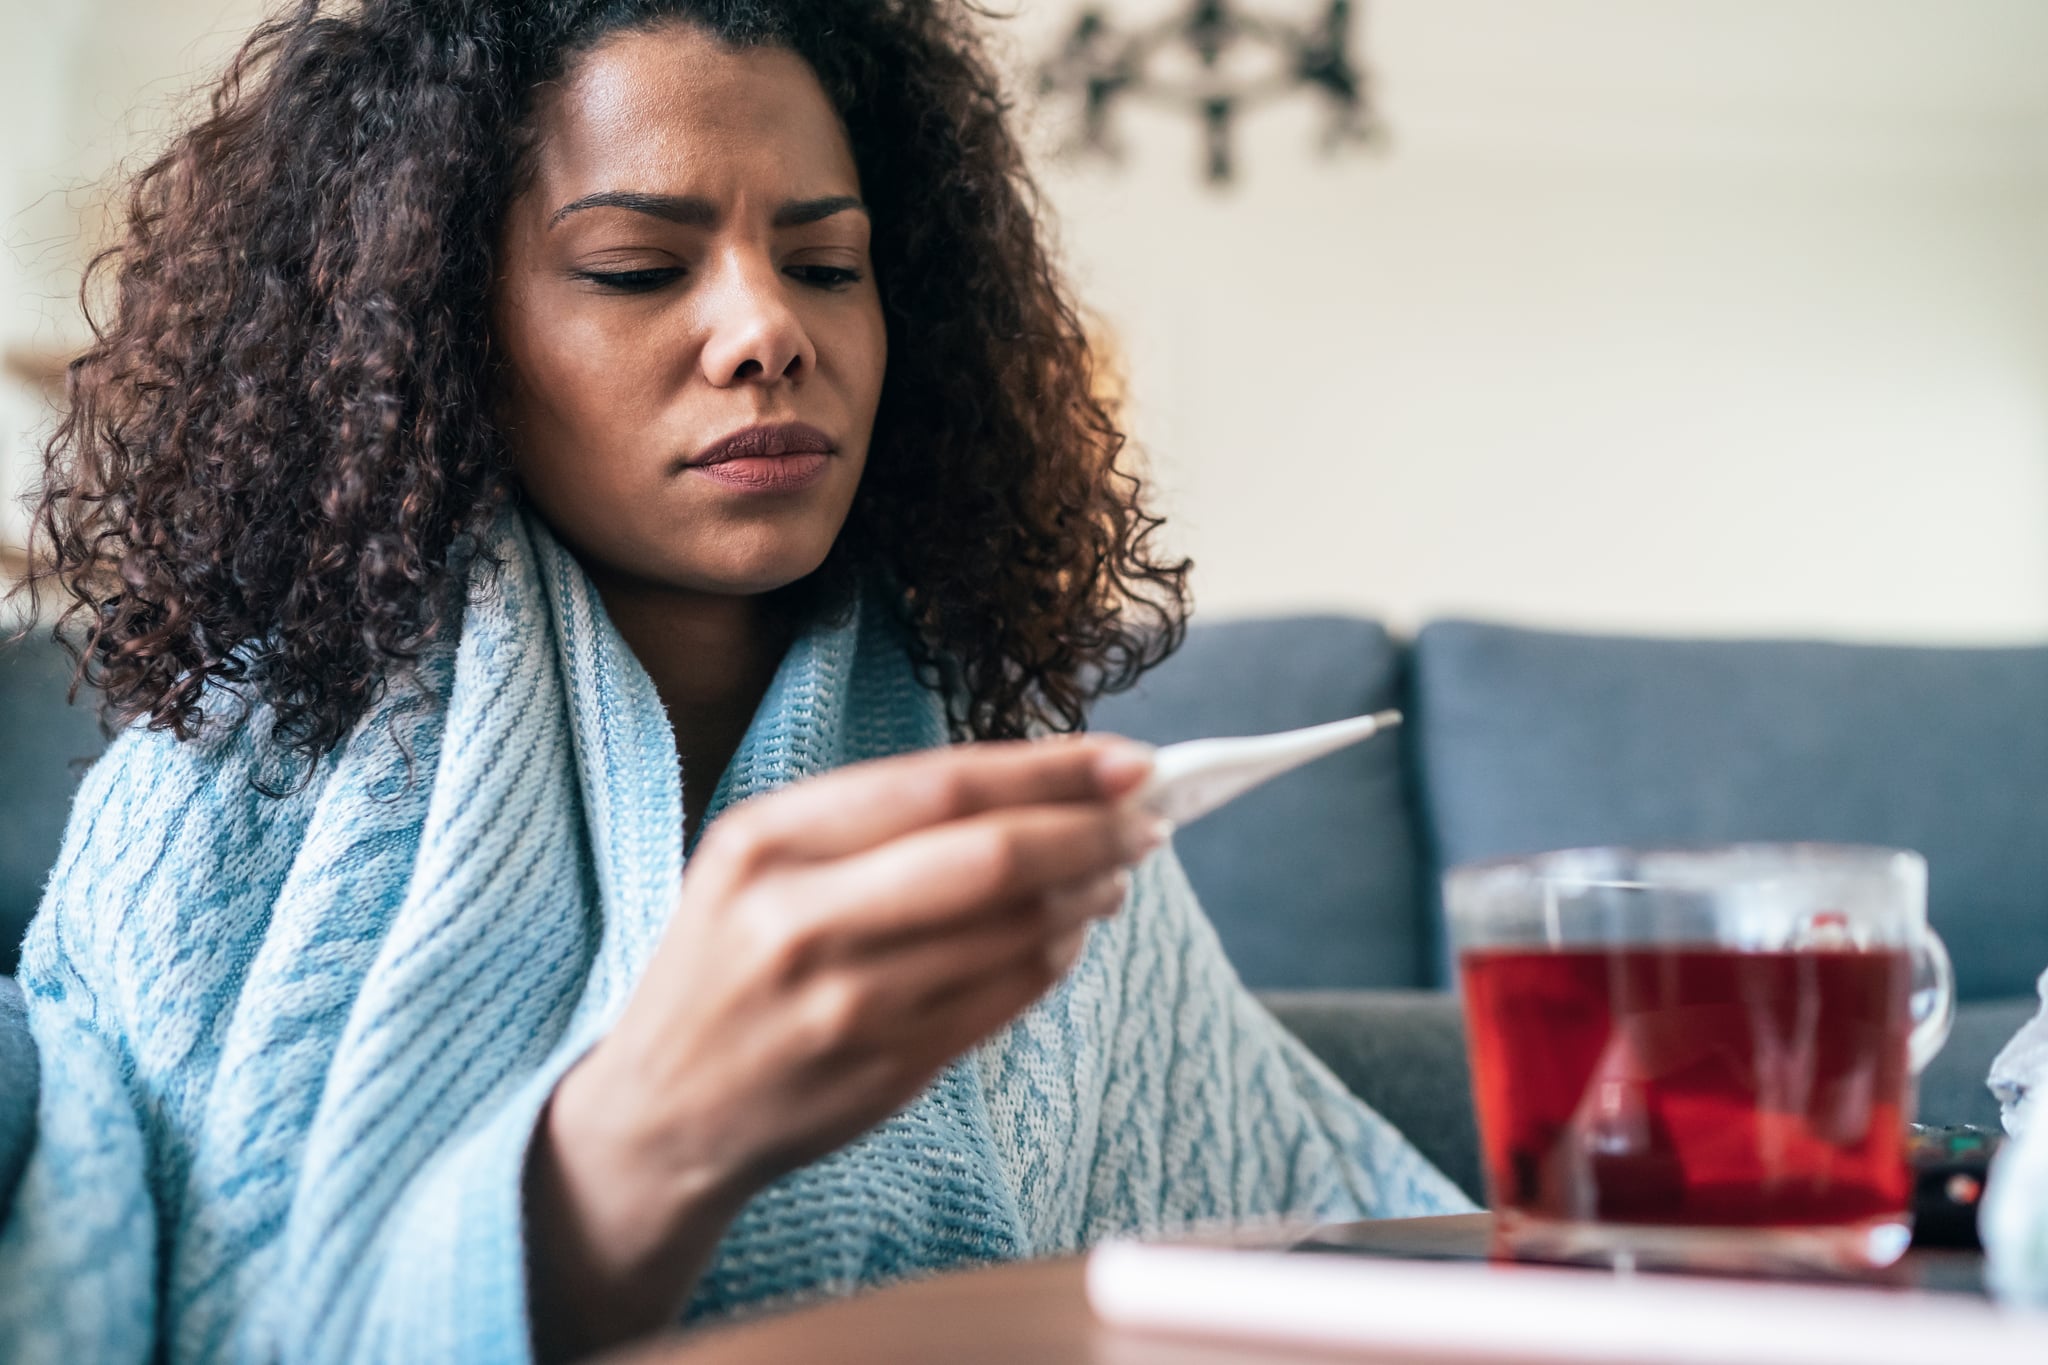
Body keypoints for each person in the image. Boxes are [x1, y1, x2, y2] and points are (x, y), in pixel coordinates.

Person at [0, 1, 1469, 1361]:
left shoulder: (1010, 789)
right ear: (444, 334)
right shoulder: (219, 798)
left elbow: (1308, 1240)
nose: (773, 329)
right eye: (639, 267)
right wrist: (643, 1140)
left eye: (830, 265)